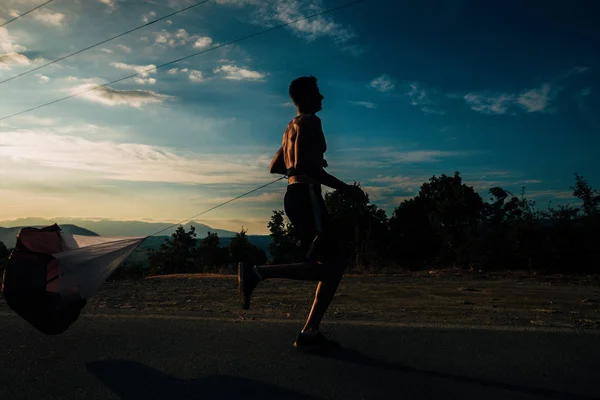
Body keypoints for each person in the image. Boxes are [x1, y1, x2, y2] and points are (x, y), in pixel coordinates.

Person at [238, 76, 365, 351]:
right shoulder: (312, 122)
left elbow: (275, 166)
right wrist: (345, 189)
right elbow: (310, 169)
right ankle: (257, 273)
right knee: (327, 265)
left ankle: (310, 333)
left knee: (335, 263)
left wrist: (297, 166)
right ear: (305, 96)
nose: (322, 98)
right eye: (317, 92)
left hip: (294, 196)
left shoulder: (290, 128)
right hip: (307, 196)